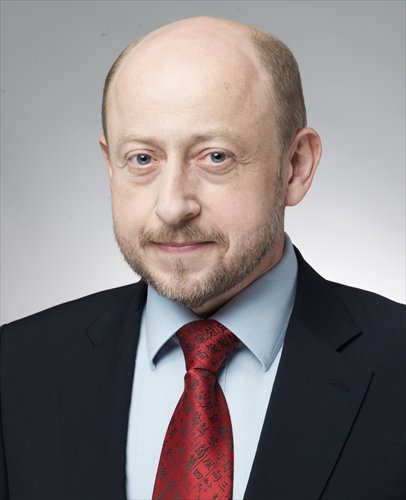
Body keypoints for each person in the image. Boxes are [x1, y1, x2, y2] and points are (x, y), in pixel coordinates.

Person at [0, 16, 404, 500]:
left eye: (215, 157)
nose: (173, 206)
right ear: (110, 166)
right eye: (143, 159)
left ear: (295, 166)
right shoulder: (14, 367)